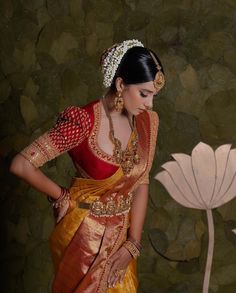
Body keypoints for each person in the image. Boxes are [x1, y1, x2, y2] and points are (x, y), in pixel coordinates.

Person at [10, 39, 165, 292]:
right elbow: (21, 165)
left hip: (122, 241)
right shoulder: (82, 122)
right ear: (121, 84)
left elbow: (142, 182)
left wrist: (132, 245)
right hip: (84, 237)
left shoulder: (147, 122)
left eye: (154, 96)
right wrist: (61, 196)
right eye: (144, 94)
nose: (150, 104)